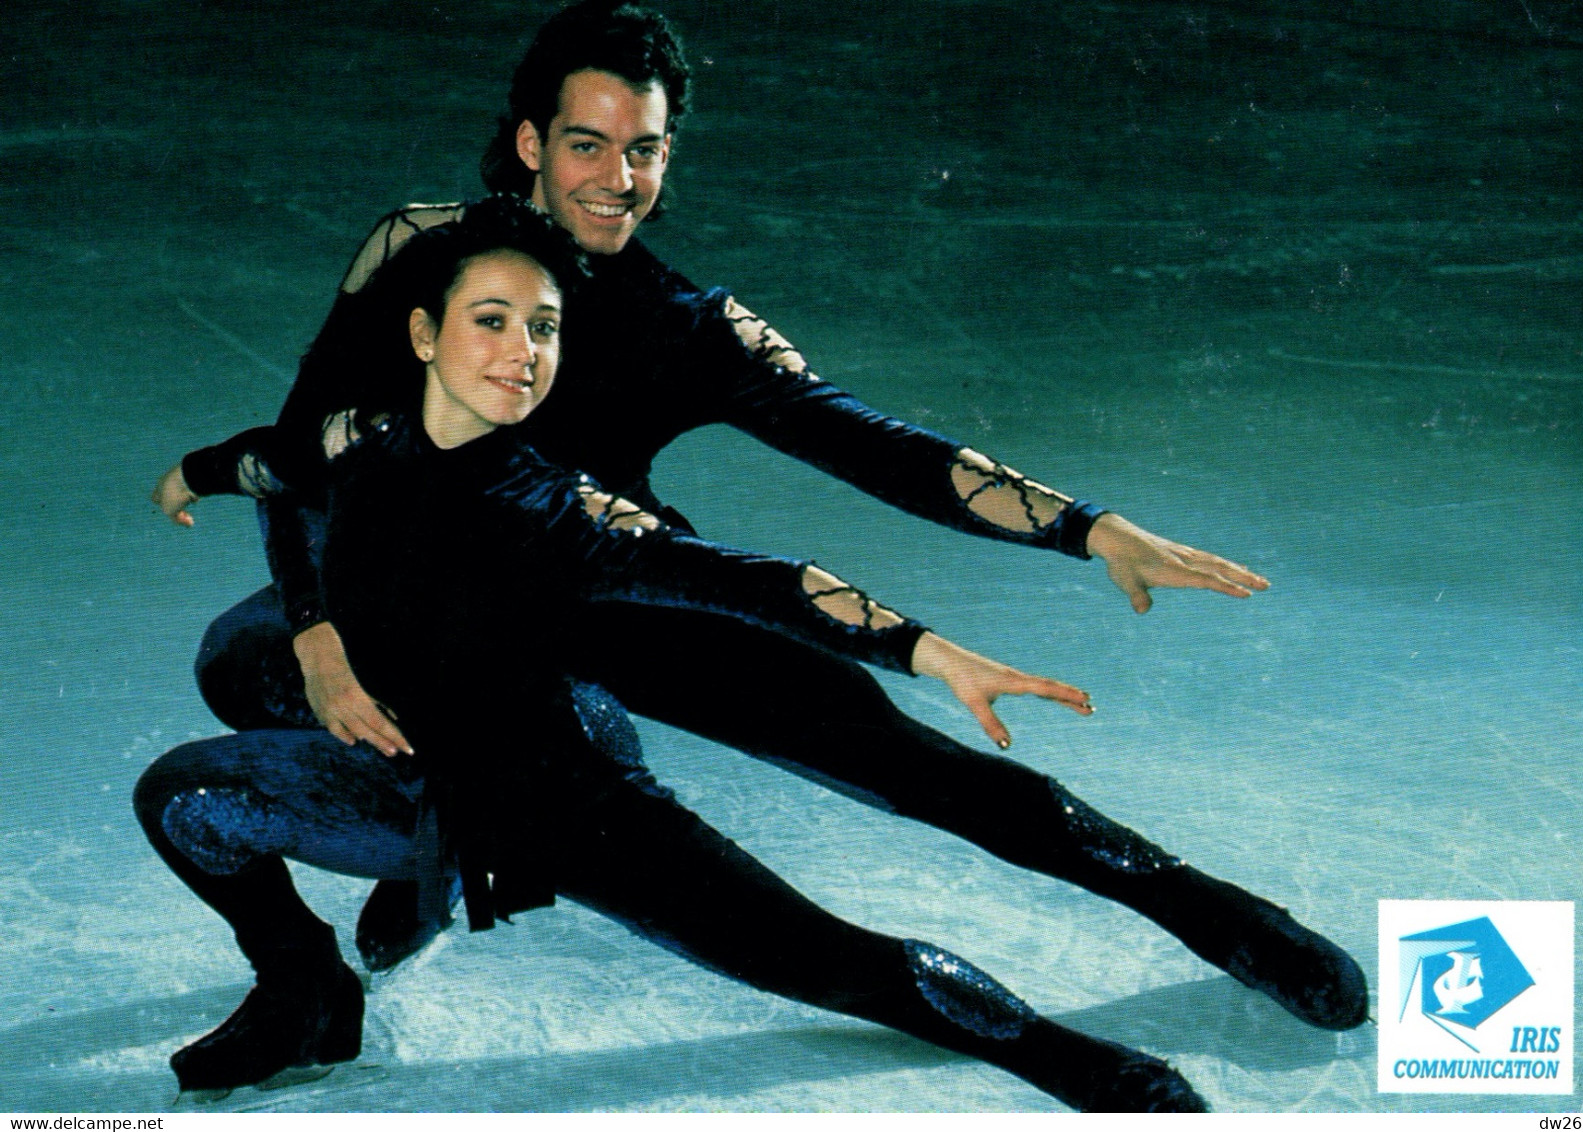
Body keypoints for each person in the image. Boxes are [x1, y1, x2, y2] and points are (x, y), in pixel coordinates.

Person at [170, 0, 1366, 1031]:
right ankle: (428, 849)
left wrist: (1084, 527)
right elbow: (297, 450)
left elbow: (876, 445)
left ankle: (1217, 915)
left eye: (644, 150)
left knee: (907, 760)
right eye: (585, 144)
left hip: (624, 587)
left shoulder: (690, 325)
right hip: (440, 609)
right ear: (529, 142)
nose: (615, 179)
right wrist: (322, 640)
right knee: (245, 656)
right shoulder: (417, 254)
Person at [140, 198, 1207, 1112]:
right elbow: (269, 459)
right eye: (492, 321)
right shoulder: (359, 439)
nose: (522, 352)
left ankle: (1083, 1068)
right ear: (421, 333)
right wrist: (187, 477)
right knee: (237, 664)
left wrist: (926, 652)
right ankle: (304, 983)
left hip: (541, 792)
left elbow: (756, 581)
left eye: (545, 330)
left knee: (824, 960)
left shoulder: (558, 508)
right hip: (425, 742)